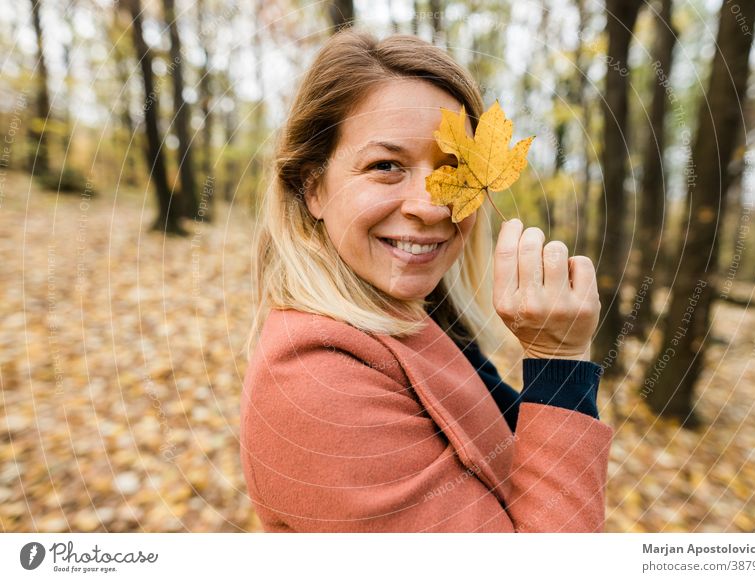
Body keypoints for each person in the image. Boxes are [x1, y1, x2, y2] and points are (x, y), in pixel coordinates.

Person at [240, 29, 612, 533]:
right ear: (313, 189)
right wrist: (558, 361)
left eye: (453, 168)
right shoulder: (316, 382)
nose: (431, 204)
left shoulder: (418, 315)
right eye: (386, 166)